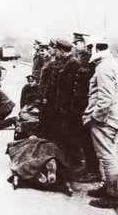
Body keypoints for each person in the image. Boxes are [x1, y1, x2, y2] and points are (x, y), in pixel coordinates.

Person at [82, 36, 118, 209]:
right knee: (109, 155)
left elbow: (105, 98)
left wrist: (96, 117)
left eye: (90, 48)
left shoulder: (103, 67)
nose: (88, 52)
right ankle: (108, 188)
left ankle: (113, 195)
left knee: (107, 156)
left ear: (96, 48)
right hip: (112, 117)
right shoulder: (112, 63)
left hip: (105, 119)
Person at [70, 47, 99, 182]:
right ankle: (88, 167)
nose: (76, 45)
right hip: (79, 108)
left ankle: (93, 171)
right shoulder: (82, 59)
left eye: (79, 42)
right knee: (83, 138)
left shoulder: (92, 63)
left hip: (87, 107)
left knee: (88, 140)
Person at [54, 39, 81, 169]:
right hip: (63, 104)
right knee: (65, 133)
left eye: (57, 50)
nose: (55, 52)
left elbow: (70, 88)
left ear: (61, 50)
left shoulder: (72, 63)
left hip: (69, 105)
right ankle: (69, 161)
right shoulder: (66, 61)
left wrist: (65, 105)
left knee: (70, 134)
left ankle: (75, 163)